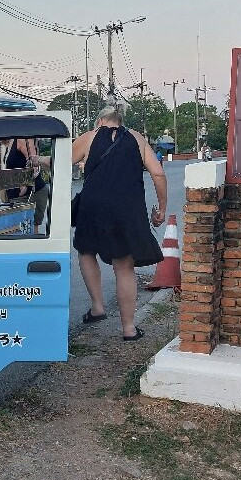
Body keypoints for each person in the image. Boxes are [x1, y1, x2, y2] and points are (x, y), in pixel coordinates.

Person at [71, 105, 167, 341]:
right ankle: (129, 329)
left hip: (92, 206)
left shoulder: (88, 138)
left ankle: (97, 306)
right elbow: (158, 173)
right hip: (127, 208)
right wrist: (161, 209)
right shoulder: (136, 138)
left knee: (85, 250)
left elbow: (59, 163)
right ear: (119, 121)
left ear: (100, 121)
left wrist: (39, 160)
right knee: (124, 266)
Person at [4, 138, 51, 233]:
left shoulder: (22, 139)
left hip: (32, 191)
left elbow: (34, 162)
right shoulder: (10, 141)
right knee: (18, 229)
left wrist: (26, 182)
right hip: (16, 193)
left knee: (30, 229)